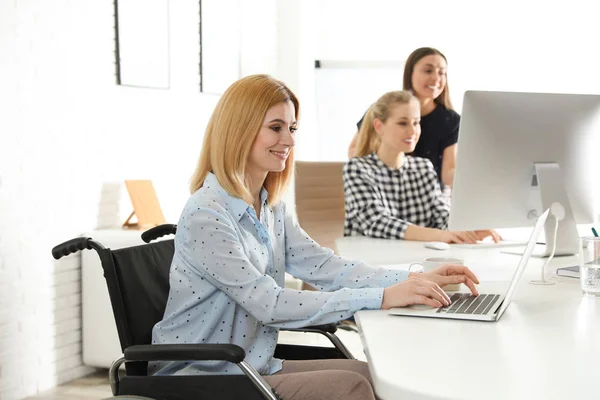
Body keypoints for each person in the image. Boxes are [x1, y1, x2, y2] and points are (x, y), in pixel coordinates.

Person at [150, 74, 481, 400]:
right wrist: (383, 296)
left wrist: (414, 279)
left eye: (292, 128)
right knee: (352, 388)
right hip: (202, 374)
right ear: (239, 129)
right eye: (276, 127)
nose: (290, 141)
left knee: (373, 376)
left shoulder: (269, 206)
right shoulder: (207, 213)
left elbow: (326, 267)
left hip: (251, 364)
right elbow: (270, 303)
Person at [344, 90, 500, 244]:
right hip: (372, 262)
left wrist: (468, 229)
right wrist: (440, 236)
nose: (412, 131)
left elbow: (441, 215)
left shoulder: (423, 167)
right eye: (403, 123)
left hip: (414, 259)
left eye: (416, 122)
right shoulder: (357, 168)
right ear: (379, 126)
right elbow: (375, 222)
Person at [348, 47, 459, 189]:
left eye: (442, 73)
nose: (436, 78)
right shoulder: (386, 107)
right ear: (410, 73)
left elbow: (448, 173)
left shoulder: (450, 120)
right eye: (428, 71)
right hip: (385, 187)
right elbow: (355, 151)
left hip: (425, 194)